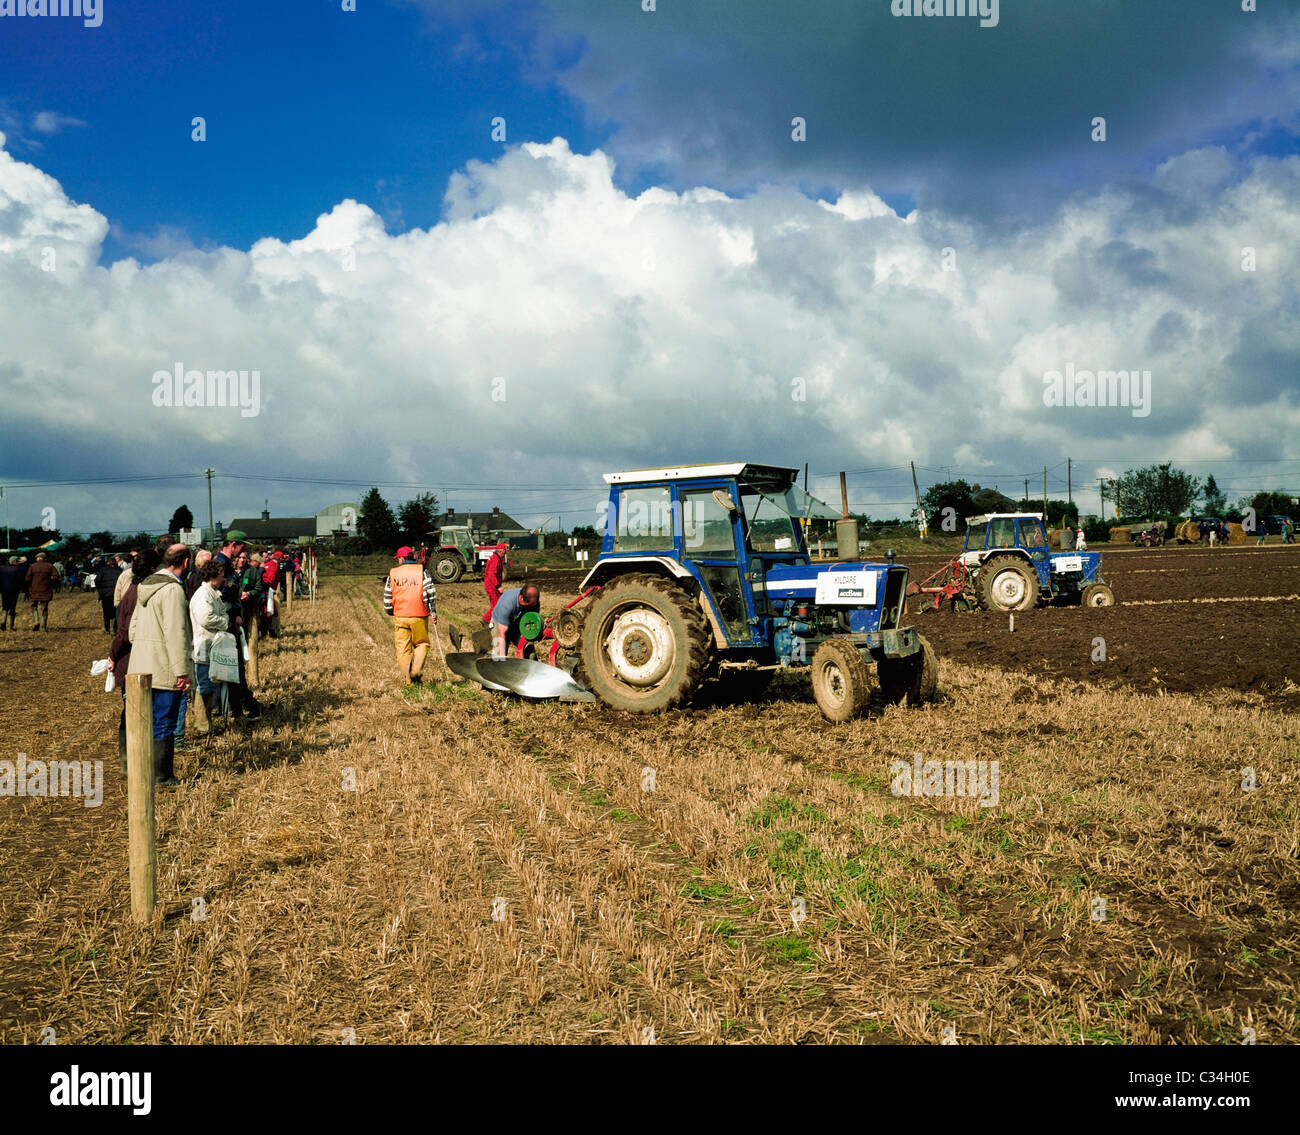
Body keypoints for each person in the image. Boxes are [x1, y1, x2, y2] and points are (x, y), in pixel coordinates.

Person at [127, 544, 193, 787]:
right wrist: (182, 671)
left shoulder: (146, 586)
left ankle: (142, 769)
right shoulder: (173, 590)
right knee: (165, 721)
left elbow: (132, 631)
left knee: (145, 721)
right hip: (165, 667)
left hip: (140, 666)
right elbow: (176, 633)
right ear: (185, 562)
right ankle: (162, 776)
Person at [109, 548, 160, 774]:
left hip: (134, 658)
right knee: (130, 711)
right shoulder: (137, 593)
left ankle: (134, 759)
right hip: (131, 659)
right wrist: (113, 655)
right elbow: (124, 632)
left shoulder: (133, 590)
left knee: (135, 711)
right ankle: (128, 761)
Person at [384, 545, 437, 685]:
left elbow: (388, 596)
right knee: (422, 644)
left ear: (401, 558)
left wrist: (390, 610)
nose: (398, 561)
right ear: (412, 557)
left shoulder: (393, 573)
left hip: (401, 616)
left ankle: (408, 680)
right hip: (419, 615)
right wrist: (433, 612)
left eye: (398, 559)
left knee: (402, 648)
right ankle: (416, 671)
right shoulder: (422, 571)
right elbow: (430, 592)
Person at [190, 558, 232, 727]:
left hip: (210, 644)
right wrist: (224, 622)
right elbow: (206, 618)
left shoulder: (212, 593)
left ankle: (206, 722)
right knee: (204, 686)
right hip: (203, 645)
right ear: (213, 576)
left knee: (208, 684)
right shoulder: (203, 595)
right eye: (221, 575)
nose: (223, 578)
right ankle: (202, 724)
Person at [490, 584, 540, 659]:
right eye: (531, 604)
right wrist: (501, 658)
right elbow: (501, 633)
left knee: (529, 650)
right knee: (499, 653)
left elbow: (533, 622)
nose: (533, 605)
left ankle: (532, 669)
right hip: (500, 623)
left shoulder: (535, 603)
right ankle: (497, 667)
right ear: (522, 598)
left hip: (517, 624)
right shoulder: (507, 604)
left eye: (534, 603)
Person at [25, 551, 56, 631]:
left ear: (38, 558)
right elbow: (55, 576)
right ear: (44, 558)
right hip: (45, 590)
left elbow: (27, 578)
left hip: (34, 590)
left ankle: (36, 622)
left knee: (33, 606)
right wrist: (50, 581)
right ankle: (43, 626)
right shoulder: (50, 566)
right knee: (44, 608)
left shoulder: (32, 566)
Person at [94, 554, 123, 634]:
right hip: (116, 594)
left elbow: (97, 580)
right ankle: (114, 628)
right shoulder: (120, 570)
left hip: (105, 594)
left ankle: (107, 628)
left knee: (106, 612)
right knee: (115, 612)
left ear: (107, 563)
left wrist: (100, 590)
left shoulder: (102, 570)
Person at [482, 542, 508, 625]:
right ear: (500, 551)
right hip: (491, 585)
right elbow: (492, 575)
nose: (505, 553)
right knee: (496, 605)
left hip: (493, 584)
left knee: (499, 603)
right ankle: (486, 619)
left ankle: (494, 620)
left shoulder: (497, 558)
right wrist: (498, 586)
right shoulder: (495, 560)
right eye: (505, 551)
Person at [0, 555, 26, 631]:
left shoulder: (2, 569)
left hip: (4, 591)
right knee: (12, 607)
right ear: (14, 562)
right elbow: (20, 581)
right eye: (17, 561)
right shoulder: (18, 569)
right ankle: (10, 626)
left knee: (5, 607)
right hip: (14, 591)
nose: (18, 562)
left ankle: (3, 621)